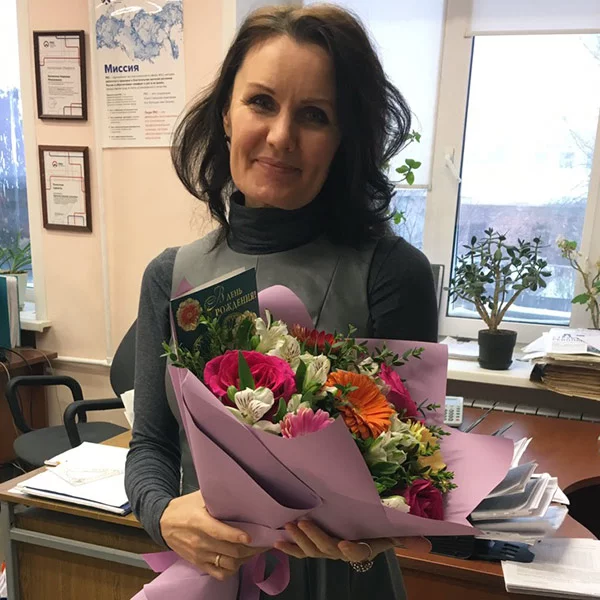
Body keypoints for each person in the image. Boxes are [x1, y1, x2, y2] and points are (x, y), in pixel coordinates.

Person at [125, 4, 438, 599]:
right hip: (209, 582)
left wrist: (376, 534)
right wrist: (162, 515)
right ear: (226, 114)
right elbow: (152, 446)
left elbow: (414, 471)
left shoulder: (392, 274)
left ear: (343, 139)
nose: (281, 136)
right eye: (261, 102)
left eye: (315, 115)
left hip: (342, 586)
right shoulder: (170, 276)